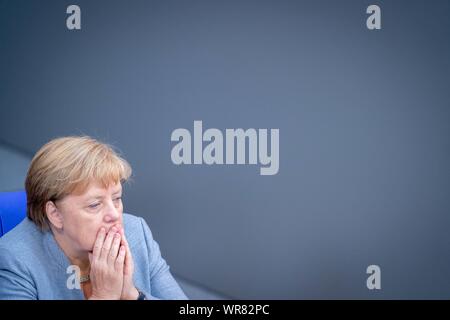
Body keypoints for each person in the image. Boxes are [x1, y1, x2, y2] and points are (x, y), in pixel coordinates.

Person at [0, 136, 187, 300]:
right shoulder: (14, 261)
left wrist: (132, 295)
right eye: (94, 205)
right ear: (55, 214)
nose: (115, 214)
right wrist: (103, 297)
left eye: (117, 198)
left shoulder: (136, 233)